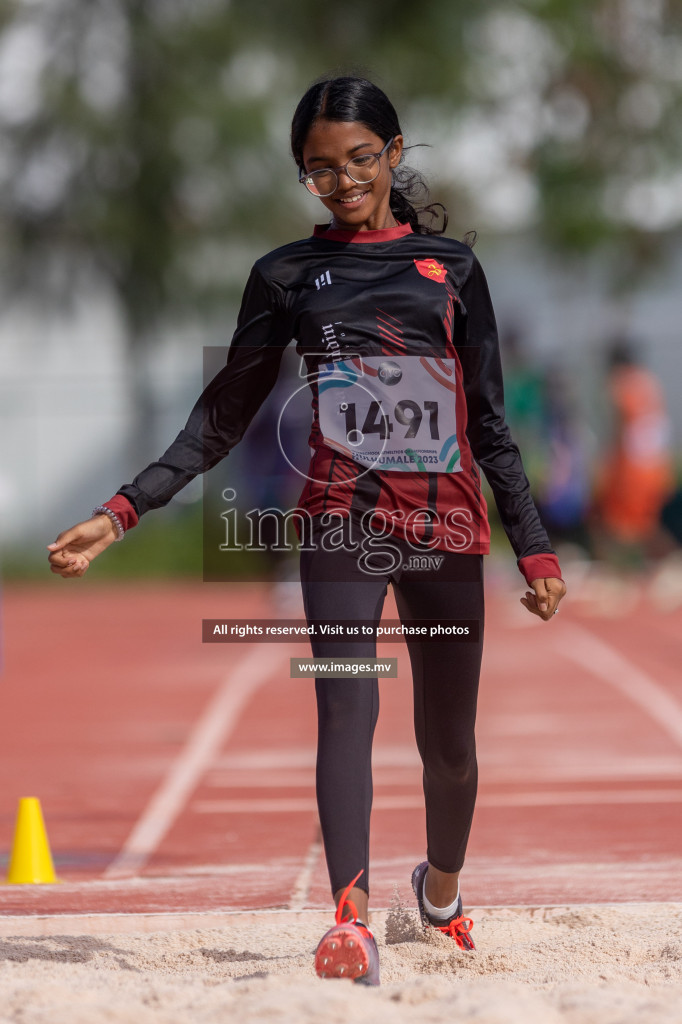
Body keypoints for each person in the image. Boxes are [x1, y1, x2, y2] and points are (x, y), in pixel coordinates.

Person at [48, 76, 566, 986]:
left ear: (394, 153)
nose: (342, 180)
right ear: (304, 175)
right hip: (338, 516)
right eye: (318, 170)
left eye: (359, 159)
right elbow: (221, 416)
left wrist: (534, 544)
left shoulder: (454, 270)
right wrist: (120, 510)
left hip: (444, 524)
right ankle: (350, 918)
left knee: (450, 744)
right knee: (345, 703)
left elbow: (489, 422)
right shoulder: (285, 276)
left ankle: (439, 890)